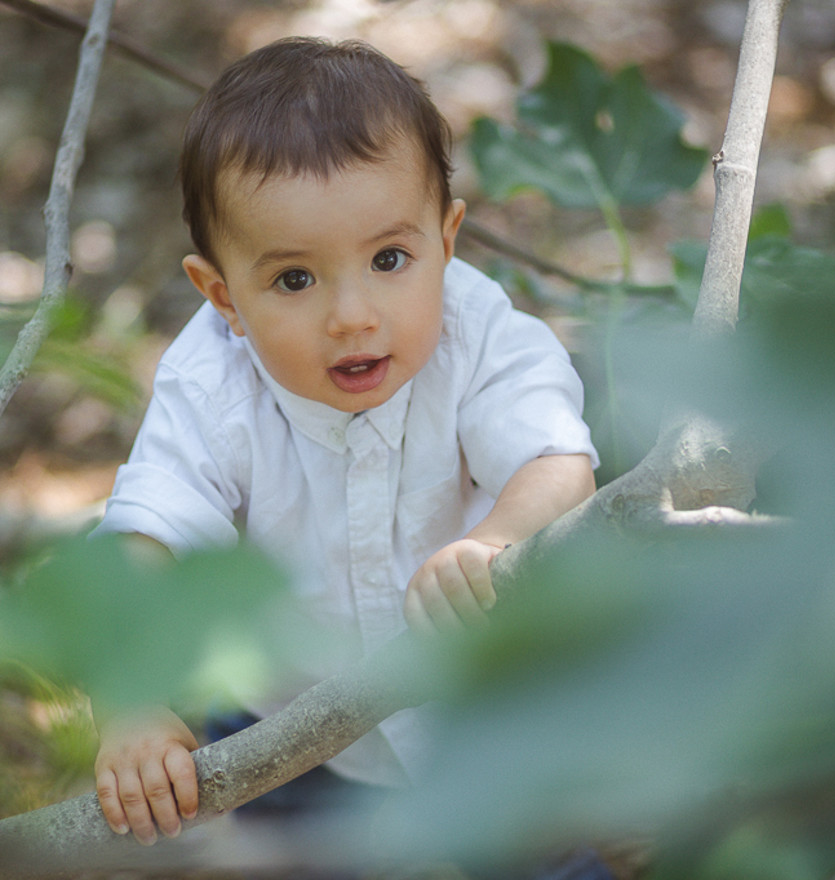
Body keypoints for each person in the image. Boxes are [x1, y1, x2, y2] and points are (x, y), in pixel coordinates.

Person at [90, 36, 598, 851]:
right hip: (284, 725)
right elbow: (146, 536)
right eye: (295, 279)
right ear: (222, 295)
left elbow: (558, 460)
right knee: (287, 863)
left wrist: (499, 539)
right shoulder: (212, 381)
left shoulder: (480, 334)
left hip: (479, 706)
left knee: (548, 858)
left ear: (448, 236)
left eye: (391, 258)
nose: (353, 314)